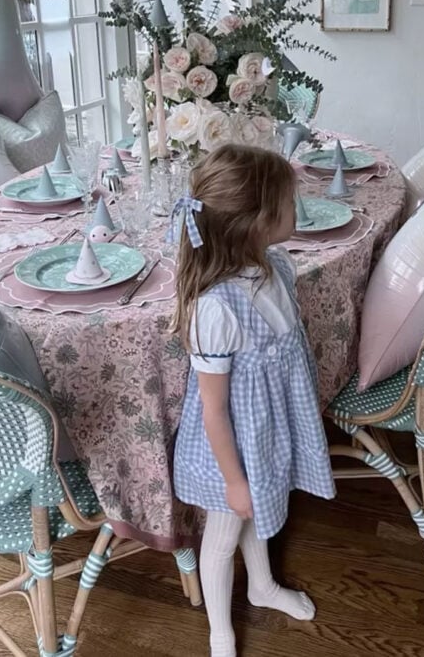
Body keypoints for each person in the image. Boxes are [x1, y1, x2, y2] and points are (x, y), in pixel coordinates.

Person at [170, 143, 335, 657]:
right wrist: (235, 480)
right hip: (230, 449)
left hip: (267, 430)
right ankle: (220, 629)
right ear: (257, 222)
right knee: (223, 535)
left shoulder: (275, 266)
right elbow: (215, 410)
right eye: (288, 204)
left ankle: (261, 585)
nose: (297, 211)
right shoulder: (217, 309)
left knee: (262, 511)